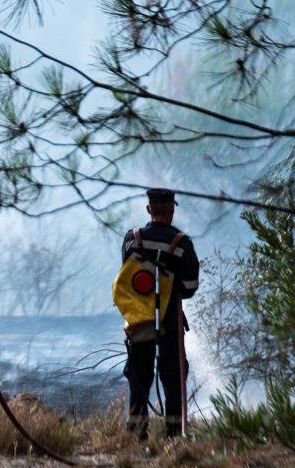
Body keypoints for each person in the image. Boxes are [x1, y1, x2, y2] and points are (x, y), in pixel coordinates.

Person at [118, 187, 200, 441]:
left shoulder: (131, 239)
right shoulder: (182, 244)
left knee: (138, 373)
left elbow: (126, 276)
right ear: (172, 210)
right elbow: (189, 288)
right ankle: (174, 434)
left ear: (148, 209)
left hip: (139, 317)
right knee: (173, 374)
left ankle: (136, 433)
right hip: (170, 319)